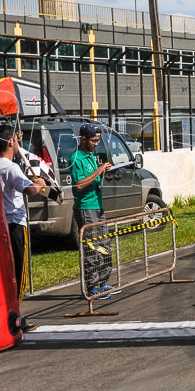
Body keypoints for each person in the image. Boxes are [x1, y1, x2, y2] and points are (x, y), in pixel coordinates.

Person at [0, 124, 46, 301]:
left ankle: (8, 308)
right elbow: (30, 191)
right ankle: (16, 312)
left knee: (6, 269)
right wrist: (39, 184)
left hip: (0, 224)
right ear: (10, 142)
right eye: (16, 140)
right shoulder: (11, 167)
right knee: (19, 270)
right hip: (15, 223)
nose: (18, 143)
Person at [70, 123, 118, 296]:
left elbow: (94, 178)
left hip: (98, 205)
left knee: (104, 245)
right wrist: (99, 170)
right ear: (83, 139)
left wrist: (106, 171)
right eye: (93, 140)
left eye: (98, 141)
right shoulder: (76, 158)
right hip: (86, 208)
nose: (96, 144)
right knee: (92, 248)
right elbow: (80, 184)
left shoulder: (91, 155)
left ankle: (103, 281)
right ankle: (92, 286)